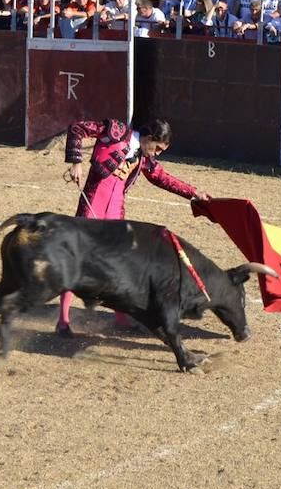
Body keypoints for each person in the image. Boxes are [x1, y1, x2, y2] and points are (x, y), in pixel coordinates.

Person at [56, 118, 214, 336]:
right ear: (149, 138)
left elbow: (162, 178)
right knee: (78, 258)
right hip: (93, 203)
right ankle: (63, 320)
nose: (156, 154)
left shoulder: (143, 158)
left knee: (118, 264)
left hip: (115, 213)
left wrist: (194, 192)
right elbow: (77, 127)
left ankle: (120, 316)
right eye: (157, 148)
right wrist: (76, 161)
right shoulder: (116, 131)